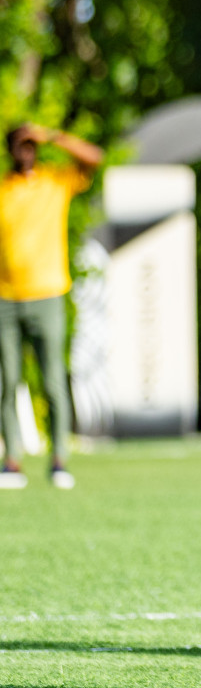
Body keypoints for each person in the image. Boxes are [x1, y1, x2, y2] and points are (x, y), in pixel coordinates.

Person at [0, 124, 103, 490]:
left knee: (52, 379)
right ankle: (12, 460)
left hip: (48, 295)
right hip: (6, 298)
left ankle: (59, 458)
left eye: (31, 145)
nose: (25, 151)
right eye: (19, 145)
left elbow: (95, 157)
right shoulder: (3, 190)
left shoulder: (54, 181)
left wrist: (51, 136)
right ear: (10, 149)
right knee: (7, 380)